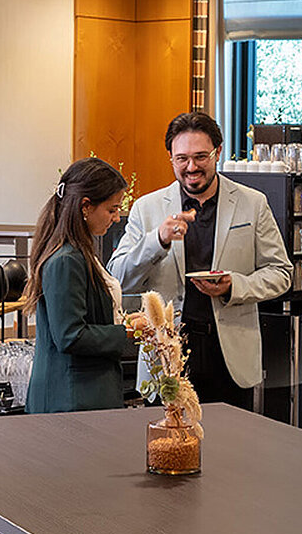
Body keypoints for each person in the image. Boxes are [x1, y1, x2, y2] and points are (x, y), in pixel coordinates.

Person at [16, 157, 138, 534]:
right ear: (84, 207)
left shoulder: (76, 251)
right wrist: (130, 334)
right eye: (110, 209)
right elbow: (70, 336)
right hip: (69, 402)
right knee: (55, 518)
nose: (116, 217)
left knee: (69, 514)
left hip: (78, 398)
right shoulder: (66, 259)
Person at [108, 112, 292, 408]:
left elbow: (281, 273)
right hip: (166, 358)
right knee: (168, 450)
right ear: (170, 157)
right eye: (182, 159)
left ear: (217, 153)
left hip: (230, 359)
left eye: (200, 157)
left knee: (231, 450)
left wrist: (235, 286)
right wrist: (158, 240)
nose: (191, 167)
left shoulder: (253, 203)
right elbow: (119, 278)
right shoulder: (147, 208)